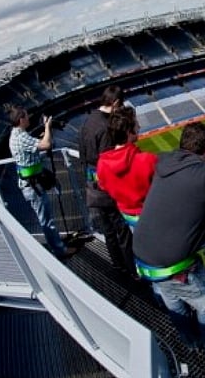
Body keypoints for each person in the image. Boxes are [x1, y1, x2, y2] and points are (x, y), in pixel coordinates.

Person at [133, 122, 205, 367]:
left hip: (145, 258)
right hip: (174, 264)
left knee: (175, 303)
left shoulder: (163, 161)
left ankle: (190, 343)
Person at [8, 105, 76, 259]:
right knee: (47, 220)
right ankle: (59, 250)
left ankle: (57, 242)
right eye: (26, 116)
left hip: (32, 182)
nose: (29, 118)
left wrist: (46, 132)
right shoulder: (21, 136)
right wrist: (47, 126)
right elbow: (46, 145)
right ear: (21, 119)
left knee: (46, 218)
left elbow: (40, 144)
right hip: (33, 186)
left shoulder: (17, 134)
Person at [78, 85, 133, 273]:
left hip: (92, 185)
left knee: (108, 230)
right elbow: (108, 162)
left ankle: (118, 265)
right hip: (105, 187)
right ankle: (131, 270)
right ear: (116, 103)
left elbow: (83, 155)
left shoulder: (87, 122)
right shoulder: (106, 127)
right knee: (122, 230)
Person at [96, 106, 157, 255]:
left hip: (129, 218)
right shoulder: (147, 160)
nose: (139, 126)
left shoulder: (102, 164)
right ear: (129, 132)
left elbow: (103, 186)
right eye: (136, 124)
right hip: (153, 217)